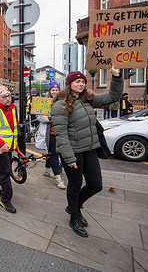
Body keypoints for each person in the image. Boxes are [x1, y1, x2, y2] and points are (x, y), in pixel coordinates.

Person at [51, 68, 123, 237]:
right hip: (73, 152)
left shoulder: (88, 99)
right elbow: (61, 135)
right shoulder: (60, 105)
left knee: (96, 185)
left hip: (90, 149)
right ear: (69, 84)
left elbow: (112, 96)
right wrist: (69, 157)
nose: (81, 84)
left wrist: (117, 77)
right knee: (75, 185)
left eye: (83, 81)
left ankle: (73, 207)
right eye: (78, 81)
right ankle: (74, 216)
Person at [35, 82, 65, 189]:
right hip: (50, 133)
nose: (55, 92)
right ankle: (58, 178)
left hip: (60, 132)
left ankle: (47, 170)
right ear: (50, 91)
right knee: (54, 154)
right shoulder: (44, 102)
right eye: (53, 90)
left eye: (57, 90)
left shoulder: (63, 102)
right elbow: (39, 117)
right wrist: (48, 118)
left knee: (52, 153)